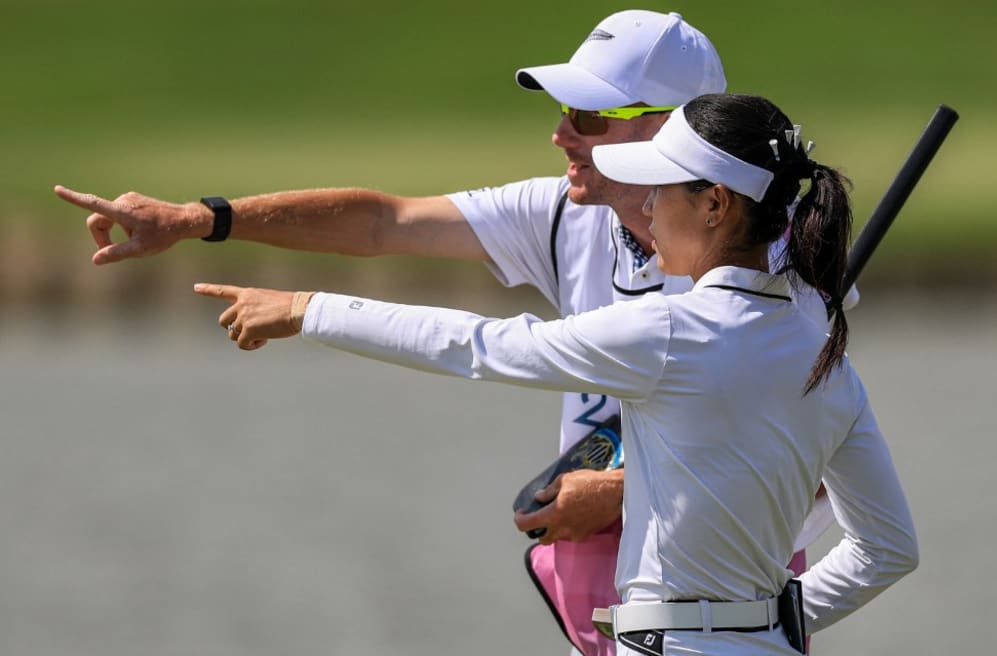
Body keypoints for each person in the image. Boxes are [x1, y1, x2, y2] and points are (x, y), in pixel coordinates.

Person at [54, 10, 847, 655]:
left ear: (670, 130)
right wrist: (200, 220)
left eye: (589, 115)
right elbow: (383, 222)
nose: (561, 133)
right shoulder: (564, 213)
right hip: (614, 586)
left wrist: (619, 490)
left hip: (723, 603)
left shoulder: (780, 269)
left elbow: (812, 462)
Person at [191, 92, 919, 656]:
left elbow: (477, 345)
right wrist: (781, 615)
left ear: (715, 204)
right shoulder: (822, 348)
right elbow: (888, 549)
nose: (650, 209)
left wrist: (306, 307)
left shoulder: (667, 331)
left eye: (660, 189)